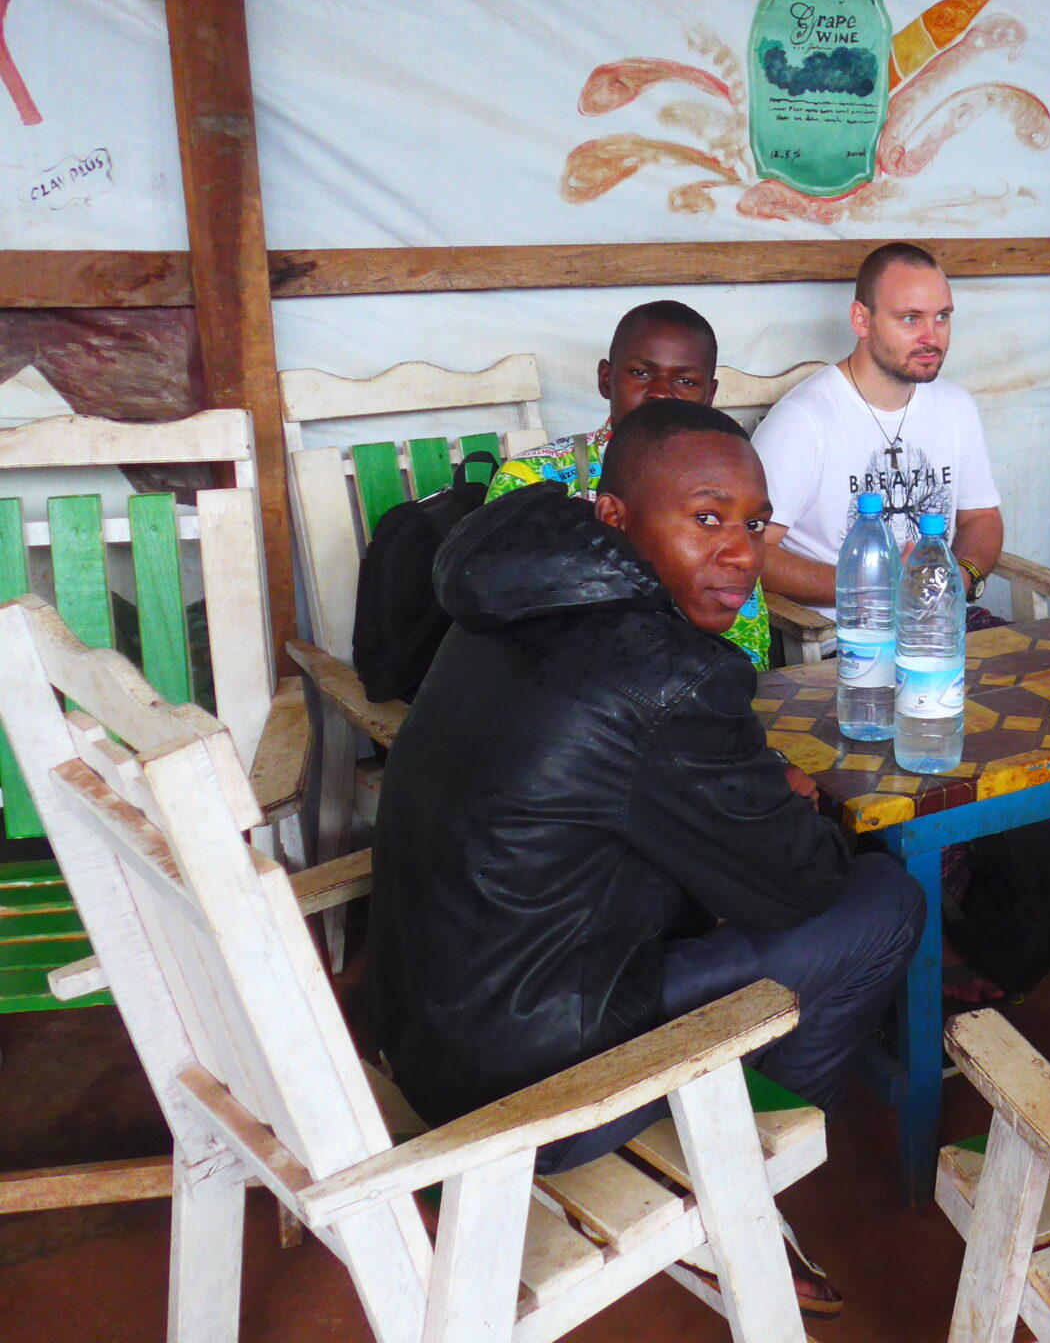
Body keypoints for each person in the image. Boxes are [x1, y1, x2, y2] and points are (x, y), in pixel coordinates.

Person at [370, 400, 923, 1311]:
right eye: (706, 519)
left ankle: (728, 1125)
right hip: (528, 1084)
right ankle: (745, 1177)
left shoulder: (510, 599)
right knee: (882, 902)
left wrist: (735, 795)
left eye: (754, 525)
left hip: (428, 1026)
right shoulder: (667, 675)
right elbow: (801, 884)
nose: (741, 554)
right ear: (615, 517)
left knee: (712, 864)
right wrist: (795, 805)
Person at [485, 299, 771, 668]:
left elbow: (745, 632)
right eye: (641, 373)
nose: (661, 392)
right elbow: (511, 620)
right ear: (606, 378)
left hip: (723, 679)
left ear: (710, 395)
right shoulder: (536, 478)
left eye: (685, 380)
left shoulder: (730, 476)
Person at [752, 242, 1005, 624]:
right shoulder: (802, 420)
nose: (932, 336)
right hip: (849, 638)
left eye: (942, 317)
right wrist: (874, 586)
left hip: (945, 622)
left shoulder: (956, 406)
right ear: (861, 320)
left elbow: (982, 517)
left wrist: (962, 576)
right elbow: (753, 551)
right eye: (910, 318)